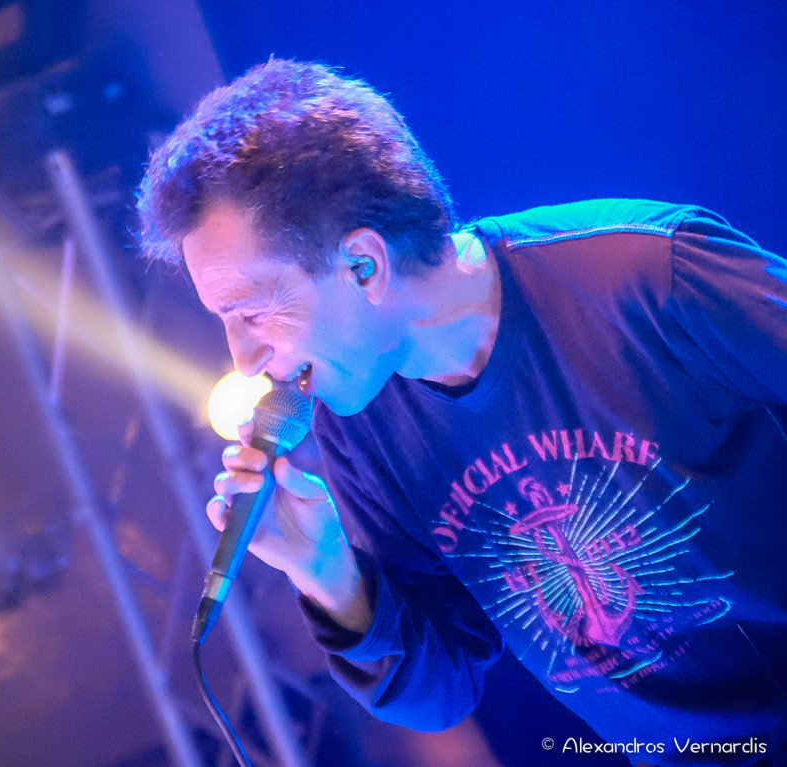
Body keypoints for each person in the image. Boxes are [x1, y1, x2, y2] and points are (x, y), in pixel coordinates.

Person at [136, 58, 787, 766]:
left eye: (253, 312)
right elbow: (443, 691)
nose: (244, 358)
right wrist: (327, 573)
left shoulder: (645, 272)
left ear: (363, 265)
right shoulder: (359, 425)